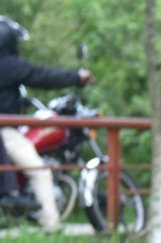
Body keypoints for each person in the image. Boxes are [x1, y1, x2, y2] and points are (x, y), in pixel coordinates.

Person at [0, 16, 92, 230]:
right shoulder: (9, 65)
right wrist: (76, 77)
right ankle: (52, 226)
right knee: (40, 171)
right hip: (4, 132)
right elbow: (42, 76)